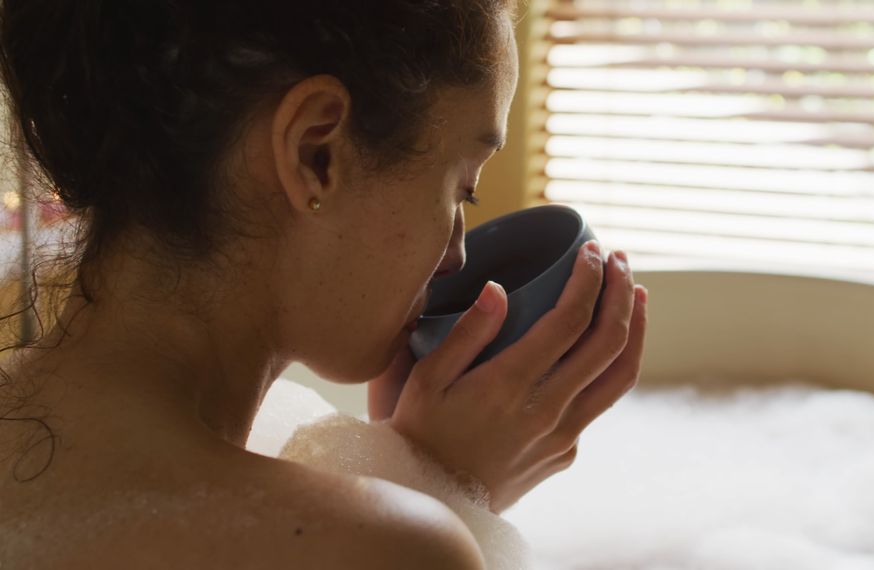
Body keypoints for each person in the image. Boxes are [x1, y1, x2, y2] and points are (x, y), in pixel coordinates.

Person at [0, 1, 648, 568]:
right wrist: (443, 489)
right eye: (462, 190)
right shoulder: (380, 551)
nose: (455, 256)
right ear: (317, 154)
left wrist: (398, 472)